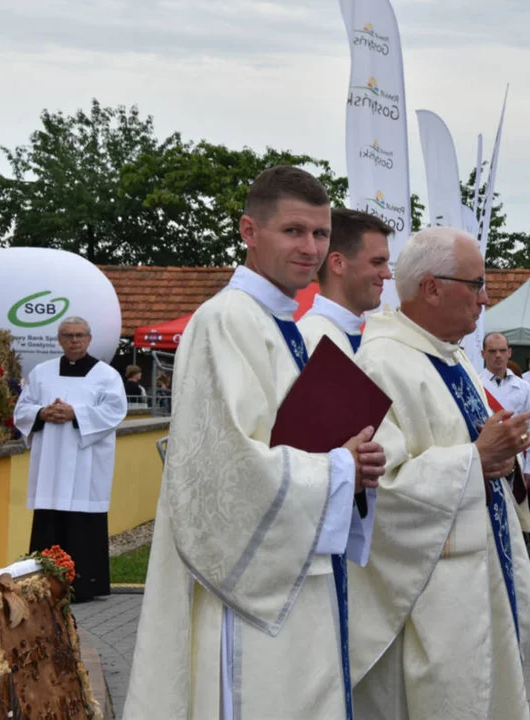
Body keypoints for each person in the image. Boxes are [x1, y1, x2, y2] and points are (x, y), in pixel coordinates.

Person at [124, 166, 386, 720]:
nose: (310, 247)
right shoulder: (225, 321)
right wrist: (338, 468)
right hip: (250, 588)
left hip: (302, 569)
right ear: (249, 231)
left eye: (320, 233)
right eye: (293, 231)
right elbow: (229, 469)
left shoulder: (285, 324)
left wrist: (354, 460)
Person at [349, 226, 530, 720]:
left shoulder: (452, 358)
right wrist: (475, 460)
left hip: (479, 580)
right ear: (431, 287)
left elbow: (480, 451)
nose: (485, 297)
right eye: (475, 284)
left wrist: (504, 448)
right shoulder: (379, 363)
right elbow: (378, 489)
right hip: (433, 599)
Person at [13, 316, 127, 601]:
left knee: (83, 526)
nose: (74, 340)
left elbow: (115, 411)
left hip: (85, 464)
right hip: (51, 463)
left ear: (89, 339)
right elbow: (22, 408)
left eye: (79, 335)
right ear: (59, 340)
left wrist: (76, 414)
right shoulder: (42, 372)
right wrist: (42, 413)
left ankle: (87, 586)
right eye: (68, 335)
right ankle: (43, 586)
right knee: (49, 522)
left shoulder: (106, 375)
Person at [298, 208, 394, 357]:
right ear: (338, 264)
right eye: (377, 262)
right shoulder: (313, 339)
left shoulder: (355, 336)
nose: (388, 274)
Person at [480, 332, 530, 487]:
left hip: (518, 463)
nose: (498, 356)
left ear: (509, 353)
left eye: (502, 351)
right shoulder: (475, 385)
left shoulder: (526, 390)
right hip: (485, 462)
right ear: (483, 354)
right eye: (492, 351)